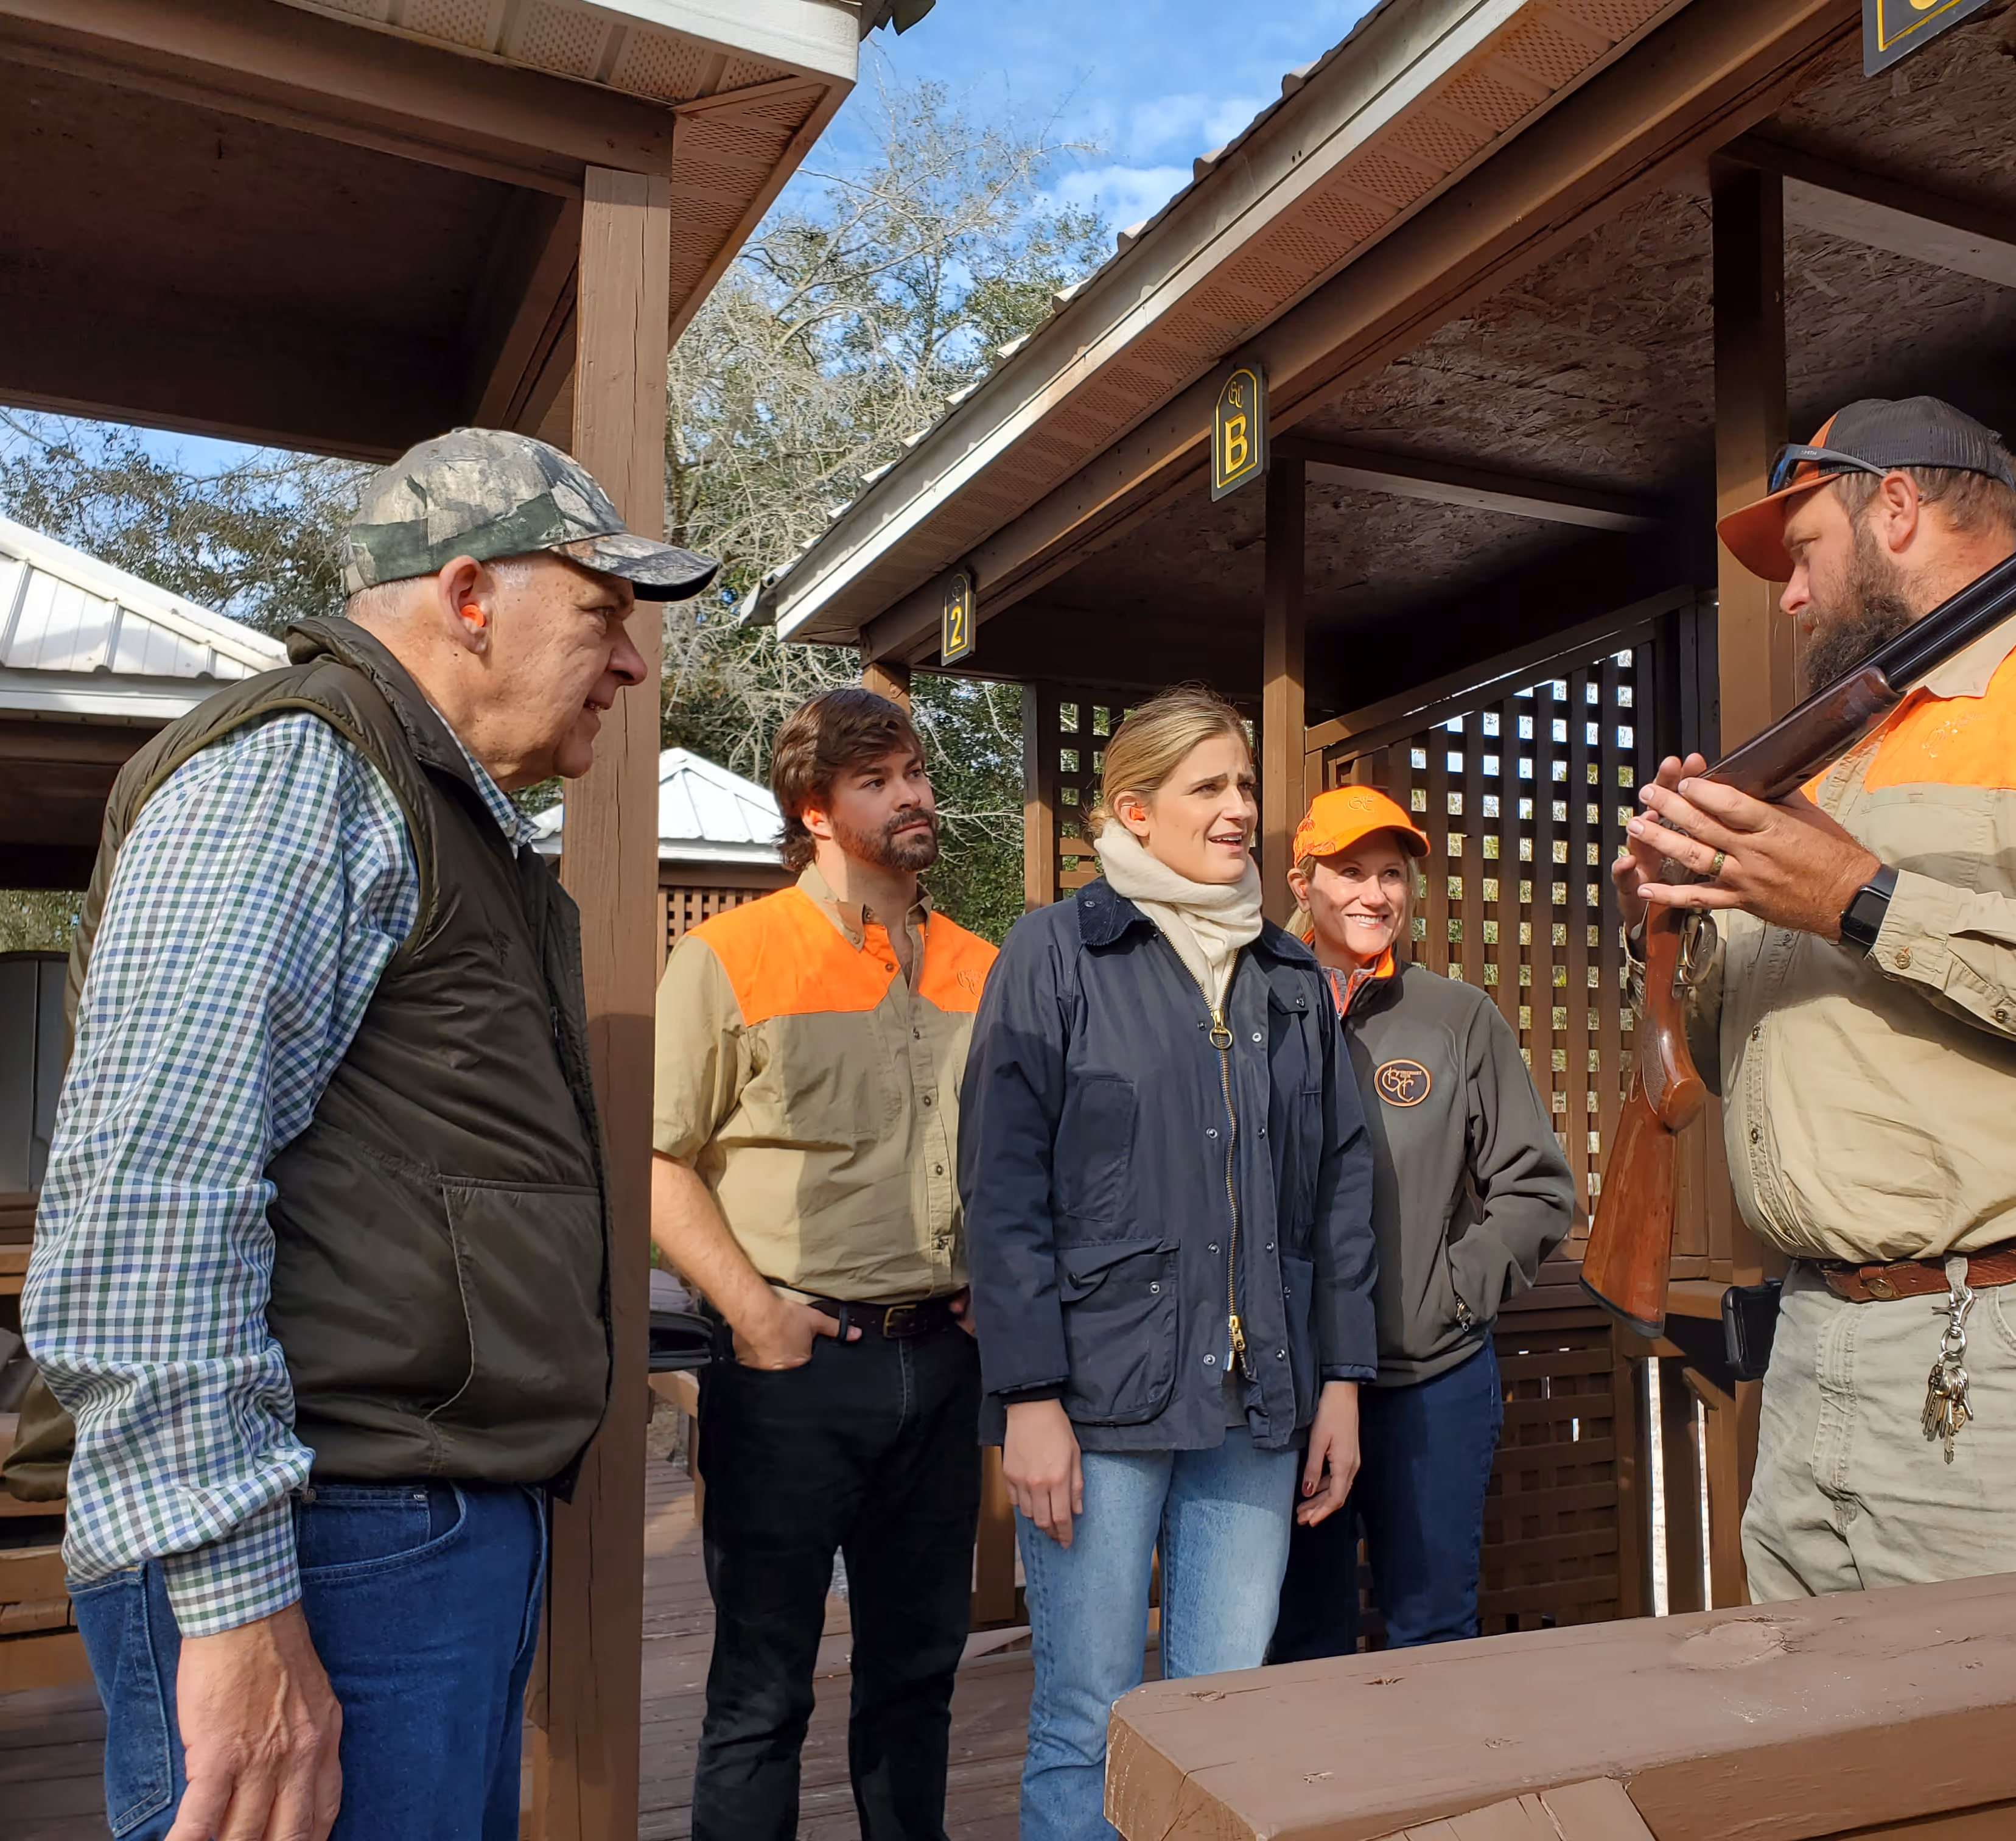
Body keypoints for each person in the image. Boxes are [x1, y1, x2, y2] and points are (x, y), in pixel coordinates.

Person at [19, 428, 715, 1841]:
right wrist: (233, 1608)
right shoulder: (295, 774)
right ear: (469, 596)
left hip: (400, 1528)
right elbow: (148, 1208)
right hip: (323, 1544)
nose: (634, 664)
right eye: (602, 613)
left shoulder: (423, 805)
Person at [1615, 396, 2016, 1601]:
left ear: (1899, 510)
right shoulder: (1835, 759)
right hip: (1822, 1347)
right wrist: (1671, 927)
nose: (1793, 597)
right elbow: (1725, 1060)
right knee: (1824, 1769)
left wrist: (1862, 898)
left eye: (1805, 551)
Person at [959, 687, 1377, 1840]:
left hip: (1257, 1411)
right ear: (1133, 812)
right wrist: (1028, 1398)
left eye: (1246, 785)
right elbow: (1001, 1194)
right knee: (1088, 1718)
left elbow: (1338, 1195)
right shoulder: (1054, 952)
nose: (1242, 808)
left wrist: (1340, 1381)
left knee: (1223, 1718)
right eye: (1210, 787)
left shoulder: (1291, 979)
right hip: (1097, 1401)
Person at [650, 686, 996, 1841]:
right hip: (793, 1373)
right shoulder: (730, 958)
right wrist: (756, 1318)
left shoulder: (982, 969)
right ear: (814, 807)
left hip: (944, 1366)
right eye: (878, 781)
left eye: (917, 775)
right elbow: (657, 1160)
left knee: (917, 1677)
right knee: (762, 1691)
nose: (913, 798)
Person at [1267, 786, 1573, 1660]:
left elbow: (1538, 1188)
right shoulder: (1251, 1010)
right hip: (1287, 1394)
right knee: (1298, 1641)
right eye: (1350, 872)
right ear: (1303, 882)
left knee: (1435, 1632)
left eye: (1391, 875)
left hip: (1430, 1380)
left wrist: (1453, 1293)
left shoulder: (1456, 1017)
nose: (1374, 895)